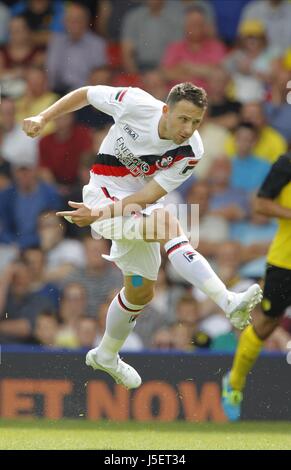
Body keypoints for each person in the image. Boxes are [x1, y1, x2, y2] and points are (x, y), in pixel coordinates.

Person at [22, 81, 262, 389]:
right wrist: (44, 117)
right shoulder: (134, 103)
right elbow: (85, 94)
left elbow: (148, 195)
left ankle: (106, 354)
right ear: (166, 110)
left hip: (134, 208)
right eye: (183, 119)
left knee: (140, 292)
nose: (188, 128)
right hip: (101, 197)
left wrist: (100, 216)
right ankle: (227, 300)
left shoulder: (191, 151)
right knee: (168, 224)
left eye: (196, 122)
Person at [222, 151, 291, 421]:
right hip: (284, 262)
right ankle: (234, 383)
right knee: (265, 326)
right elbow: (261, 205)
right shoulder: (286, 164)